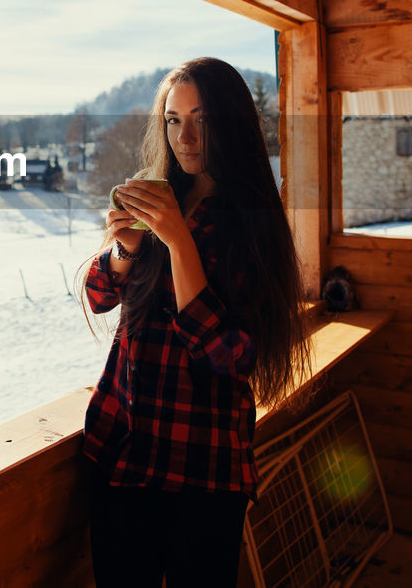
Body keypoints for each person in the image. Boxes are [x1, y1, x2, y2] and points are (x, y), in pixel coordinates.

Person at [81, 57, 310, 587]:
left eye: (201, 119)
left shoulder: (253, 223)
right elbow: (99, 297)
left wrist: (179, 243)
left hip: (203, 466)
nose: (184, 136)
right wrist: (124, 249)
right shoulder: (162, 198)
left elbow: (232, 356)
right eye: (172, 118)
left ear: (230, 121)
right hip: (121, 447)